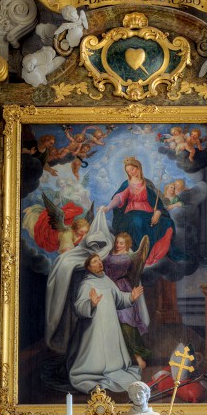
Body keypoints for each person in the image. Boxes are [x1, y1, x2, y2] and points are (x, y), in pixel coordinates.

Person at [69, 253, 144, 392]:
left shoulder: (107, 280)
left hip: (111, 324)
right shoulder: (86, 284)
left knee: (114, 359)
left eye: (99, 260)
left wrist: (131, 297)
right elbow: (78, 307)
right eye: (95, 261)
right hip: (95, 328)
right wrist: (91, 304)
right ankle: (95, 370)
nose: (99, 263)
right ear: (89, 268)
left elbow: (119, 298)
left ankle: (112, 367)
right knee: (96, 360)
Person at [101, 157, 174, 266]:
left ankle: (151, 254)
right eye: (128, 171)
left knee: (167, 223)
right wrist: (108, 208)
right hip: (132, 213)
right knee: (137, 221)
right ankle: (140, 255)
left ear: (138, 168)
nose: (130, 172)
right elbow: (118, 197)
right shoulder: (127, 184)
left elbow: (157, 202)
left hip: (148, 213)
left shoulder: (147, 183)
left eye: (132, 169)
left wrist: (157, 213)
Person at [103, 233, 150, 370]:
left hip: (122, 288)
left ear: (127, 245)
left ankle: (138, 356)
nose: (118, 245)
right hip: (108, 290)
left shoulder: (127, 258)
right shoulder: (110, 254)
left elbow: (112, 267)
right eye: (117, 242)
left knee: (127, 322)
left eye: (121, 243)